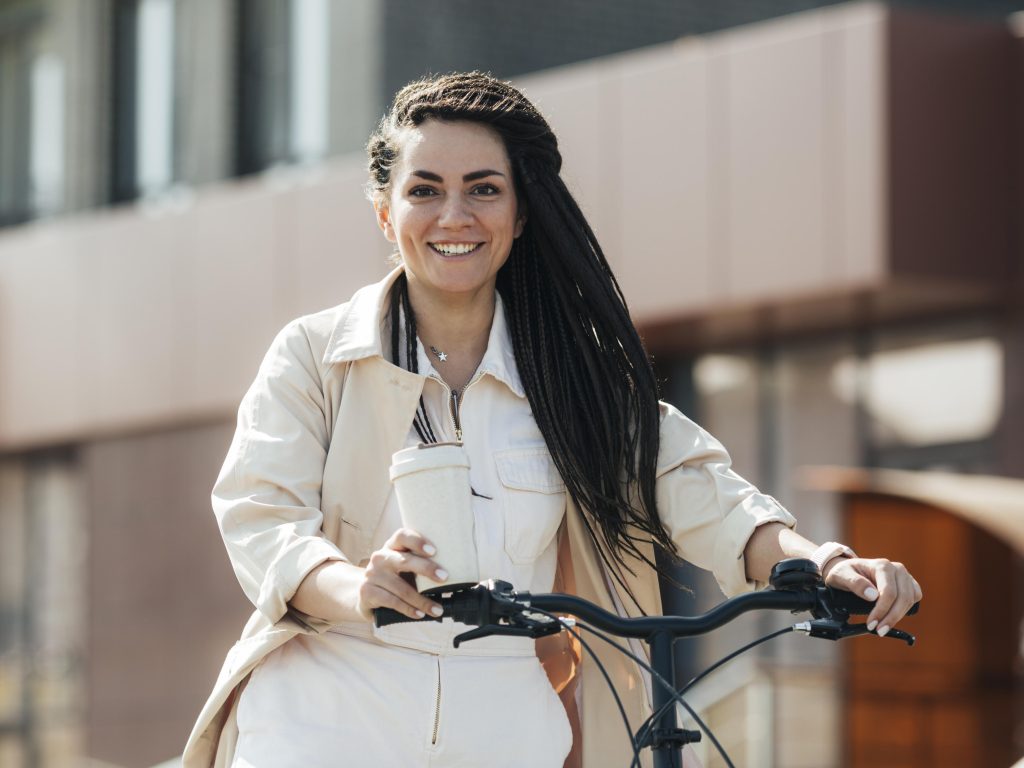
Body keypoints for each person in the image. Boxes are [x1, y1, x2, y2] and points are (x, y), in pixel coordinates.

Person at [183, 72, 922, 768]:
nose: (455, 216)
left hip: (504, 726)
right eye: (425, 190)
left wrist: (822, 563)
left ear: (520, 212)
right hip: (325, 719)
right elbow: (263, 520)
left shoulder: (576, 379)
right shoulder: (315, 358)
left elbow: (705, 492)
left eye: (483, 189)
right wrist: (359, 589)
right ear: (386, 212)